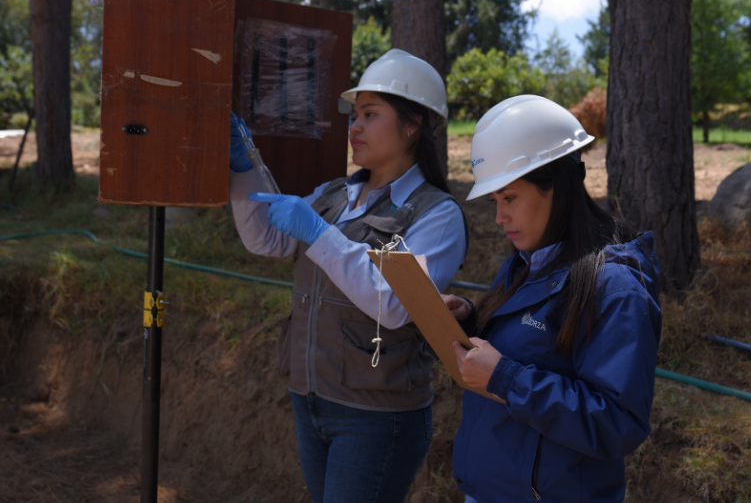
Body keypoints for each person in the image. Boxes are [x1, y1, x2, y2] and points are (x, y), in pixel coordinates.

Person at [228, 49, 468, 503]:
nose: (353, 126)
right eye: (354, 115)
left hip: (377, 416)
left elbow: (395, 305)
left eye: (370, 114)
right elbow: (269, 241)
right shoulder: (336, 194)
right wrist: (243, 171)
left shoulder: (438, 215)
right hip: (311, 398)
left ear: (413, 125)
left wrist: (320, 232)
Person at [442, 95, 662, 503]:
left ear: (557, 187)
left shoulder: (615, 287)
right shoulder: (528, 260)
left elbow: (617, 422)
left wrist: (506, 378)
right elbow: (529, 345)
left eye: (509, 198)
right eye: (495, 201)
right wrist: (471, 319)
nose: (499, 217)